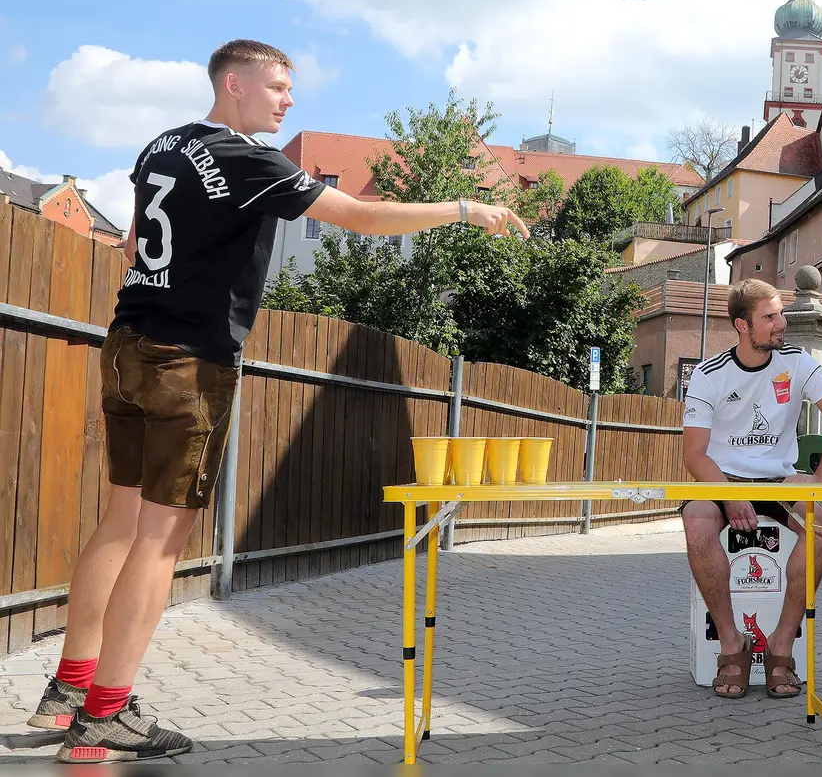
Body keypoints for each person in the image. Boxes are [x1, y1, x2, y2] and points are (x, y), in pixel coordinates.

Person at [30, 39, 528, 763]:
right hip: (189, 364)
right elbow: (356, 215)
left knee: (122, 517)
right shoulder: (248, 160)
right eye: (277, 87)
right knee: (160, 541)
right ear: (234, 84)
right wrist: (459, 208)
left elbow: (136, 241)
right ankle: (107, 713)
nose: (288, 100)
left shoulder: (163, 146)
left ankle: (70, 689)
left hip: (128, 345)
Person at [680, 278, 822, 701]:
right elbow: (694, 454)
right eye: (771, 317)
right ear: (743, 325)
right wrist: (727, 494)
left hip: (781, 479)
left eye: (780, 313)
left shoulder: (797, 363)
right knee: (696, 521)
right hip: (723, 479)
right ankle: (731, 644)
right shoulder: (708, 375)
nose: (781, 323)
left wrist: (818, 482)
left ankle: (781, 645)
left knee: (821, 527)